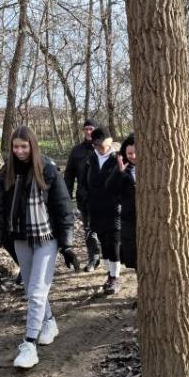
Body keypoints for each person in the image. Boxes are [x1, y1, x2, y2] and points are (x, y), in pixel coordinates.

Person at [0, 126, 78, 370]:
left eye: (24, 147)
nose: (19, 151)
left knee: (37, 292)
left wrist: (67, 246)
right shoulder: (6, 172)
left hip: (46, 237)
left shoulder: (47, 169)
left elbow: (63, 207)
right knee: (31, 290)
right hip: (20, 237)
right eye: (15, 147)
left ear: (32, 146)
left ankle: (29, 345)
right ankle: (49, 322)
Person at [80, 128, 122, 294]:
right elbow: (83, 183)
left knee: (114, 242)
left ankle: (115, 277)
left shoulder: (118, 158)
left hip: (115, 209)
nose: (99, 148)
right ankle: (109, 275)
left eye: (101, 145)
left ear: (109, 142)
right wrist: (84, 199)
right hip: (96, 209)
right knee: (104, 243)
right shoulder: (90, 160)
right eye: (96, 145)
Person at [64, 118, 99, 271]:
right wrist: (67, 196)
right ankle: (93, 257)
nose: (88, 132)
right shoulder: (76, 151)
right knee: (89, 229)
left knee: (106, 230)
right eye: (86, 129)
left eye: (91, 129)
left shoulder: (103, 149)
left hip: (104, 197)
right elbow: (69, 175)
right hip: (84, 197)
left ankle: (112, 260)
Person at [106, 133, 137, 271]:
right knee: (136, 258)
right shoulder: (121, 167)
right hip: (129, 219)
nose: (133, 156)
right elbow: (109, 188)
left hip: (150, 219)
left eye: (136, 152)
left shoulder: (151, 167)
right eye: (129, 153)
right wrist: (119, 173)